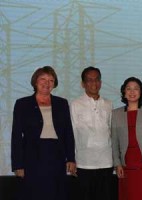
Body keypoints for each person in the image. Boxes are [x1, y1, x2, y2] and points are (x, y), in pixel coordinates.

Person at [11, 66, 76, 200]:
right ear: (35, 81)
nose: (47, 83)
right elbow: (16, 136)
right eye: (43, 79)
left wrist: (71, 158)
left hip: (56, 156)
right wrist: (18, 165)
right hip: (32, 158)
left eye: (51, 80)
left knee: (57, 193)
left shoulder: (62, 103)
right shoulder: (22, 104)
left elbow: (68, 133)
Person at [70, 66, 113, 200]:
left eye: (97, 79)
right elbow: (72, 132)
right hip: (84, 163)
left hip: (106, 162)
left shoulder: (108, 103)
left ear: (100, 82)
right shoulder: (75, 104)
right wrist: (72, 159)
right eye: (89, 80)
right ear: (83, 84)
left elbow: (111, 131)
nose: (94, 83)